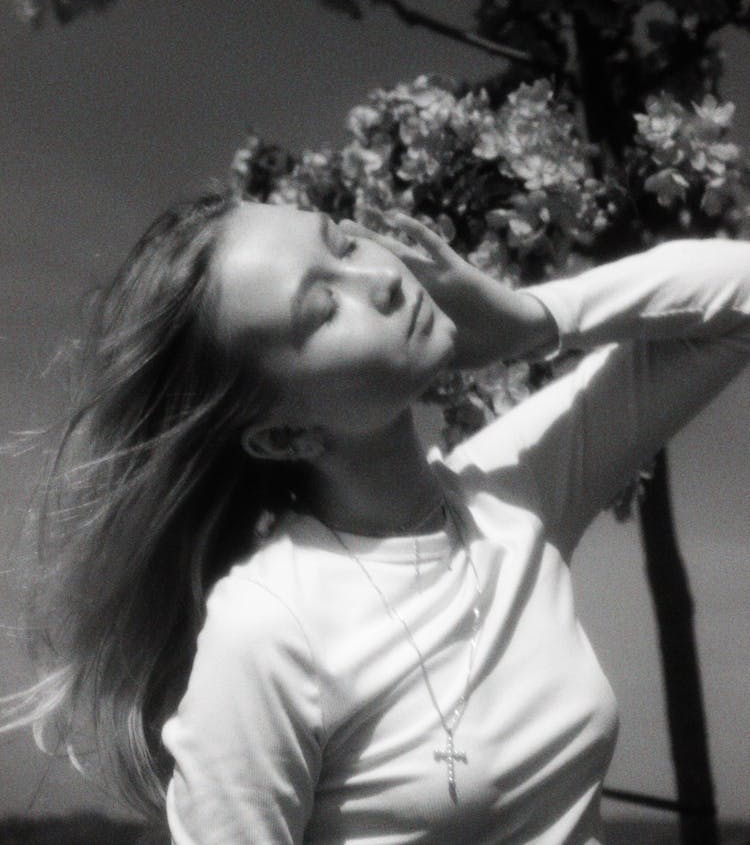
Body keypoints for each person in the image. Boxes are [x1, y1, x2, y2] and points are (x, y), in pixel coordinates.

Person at [4, 190, 750, 844]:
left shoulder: (514, 493)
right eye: (323, 307)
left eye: (344, 238)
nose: (380, 279)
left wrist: (534, 318)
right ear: (283, 434)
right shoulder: (268, 630)